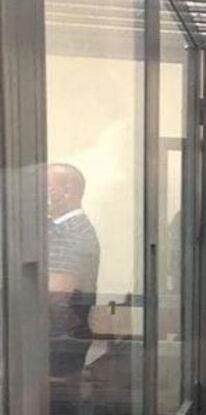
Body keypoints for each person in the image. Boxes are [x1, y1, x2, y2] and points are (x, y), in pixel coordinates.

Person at [47, 163, 100, 413]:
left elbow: (58, 292)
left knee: (57, 404)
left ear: (68, 190)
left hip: (59, 337)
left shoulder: (70, 231)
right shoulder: (59, 228)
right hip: (61, 335)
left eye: (45, 187)